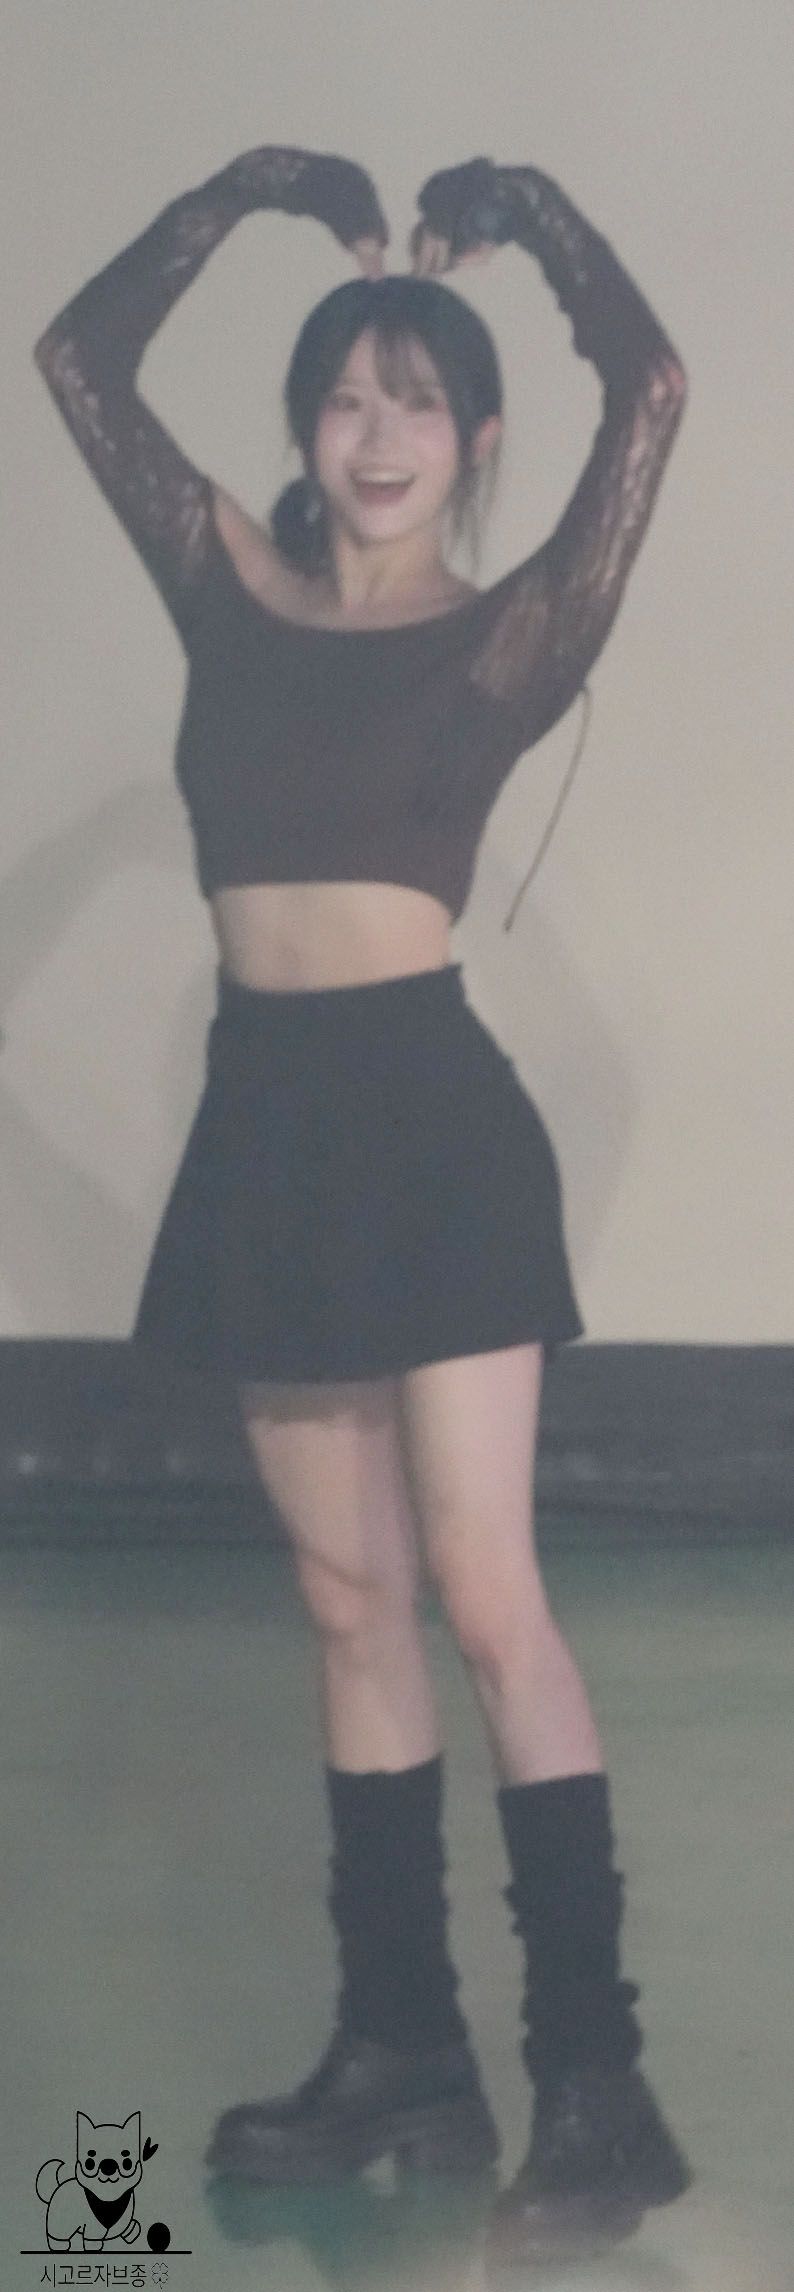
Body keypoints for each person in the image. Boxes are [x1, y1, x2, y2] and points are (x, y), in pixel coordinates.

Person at [33, 146, 690, 2263]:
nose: (375, 432)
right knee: (345, 1601)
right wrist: (254, 187)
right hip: (266, 1124)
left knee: (487, 1597)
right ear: (304, 425)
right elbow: (77, 355)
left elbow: (652, 388)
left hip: (428, 1125)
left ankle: (593, 2083)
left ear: (475, 441)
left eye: (417, 399)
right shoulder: (224, 582)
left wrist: (541, 219)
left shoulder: (508, 641)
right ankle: (399, 2043)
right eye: (343, 395)